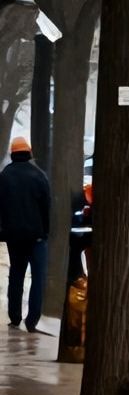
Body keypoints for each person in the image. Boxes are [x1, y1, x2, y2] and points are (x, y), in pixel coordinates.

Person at [0, 136, 53, 332]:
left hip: (14, 237)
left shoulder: (4, 176)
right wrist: (45, 231)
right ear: (29, 154)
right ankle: (32, 320)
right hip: (36, 237)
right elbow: (46, 207)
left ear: (13, 154)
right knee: (38, 278)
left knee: (16, 274)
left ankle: (15, 317)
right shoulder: (39, 176)